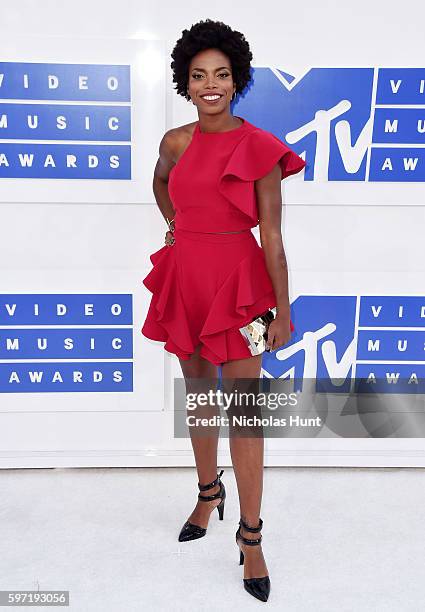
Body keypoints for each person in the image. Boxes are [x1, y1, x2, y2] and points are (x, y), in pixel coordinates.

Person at [141, 18, 306, 603]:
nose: (210, 84)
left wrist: (282, 311)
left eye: (222, 75)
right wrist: (175, 228)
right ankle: (208, 492)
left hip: (240, 287)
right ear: (185, 83)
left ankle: (252, 537)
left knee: (246, 416)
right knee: (201, 397)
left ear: (237, 80)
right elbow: (161, 185)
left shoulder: (258, 147)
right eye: (198, 75)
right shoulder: (175, 142)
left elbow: (274, 239)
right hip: (187, 280)